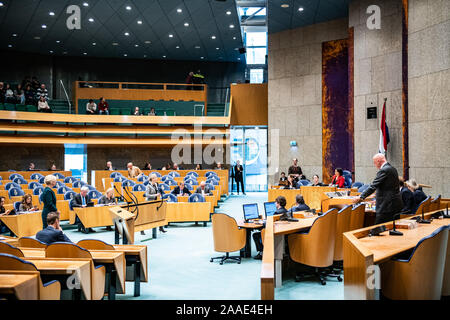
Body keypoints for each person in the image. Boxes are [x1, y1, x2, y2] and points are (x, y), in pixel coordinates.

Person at [353, 153, 403, 224]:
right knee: (390, 228)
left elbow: (373, 186)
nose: (374, 164)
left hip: (386, 206)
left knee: (378, 229)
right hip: (394, 204)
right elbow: (388, 187)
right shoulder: (392, 168)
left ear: (379, 161)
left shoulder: (384, 170)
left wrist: (361, 197)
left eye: (374, 162)